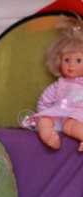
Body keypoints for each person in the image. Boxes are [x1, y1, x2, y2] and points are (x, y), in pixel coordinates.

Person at [34, 14, 83, 151]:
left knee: (71, 125)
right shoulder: (58, 85)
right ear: (58, 60)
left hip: (78, 116)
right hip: (60, 115)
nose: (71, 65)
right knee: (44, 120)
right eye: (67, 60)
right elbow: (44, 102)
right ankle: (49, 137)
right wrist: (44, 115)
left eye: (79, 60)